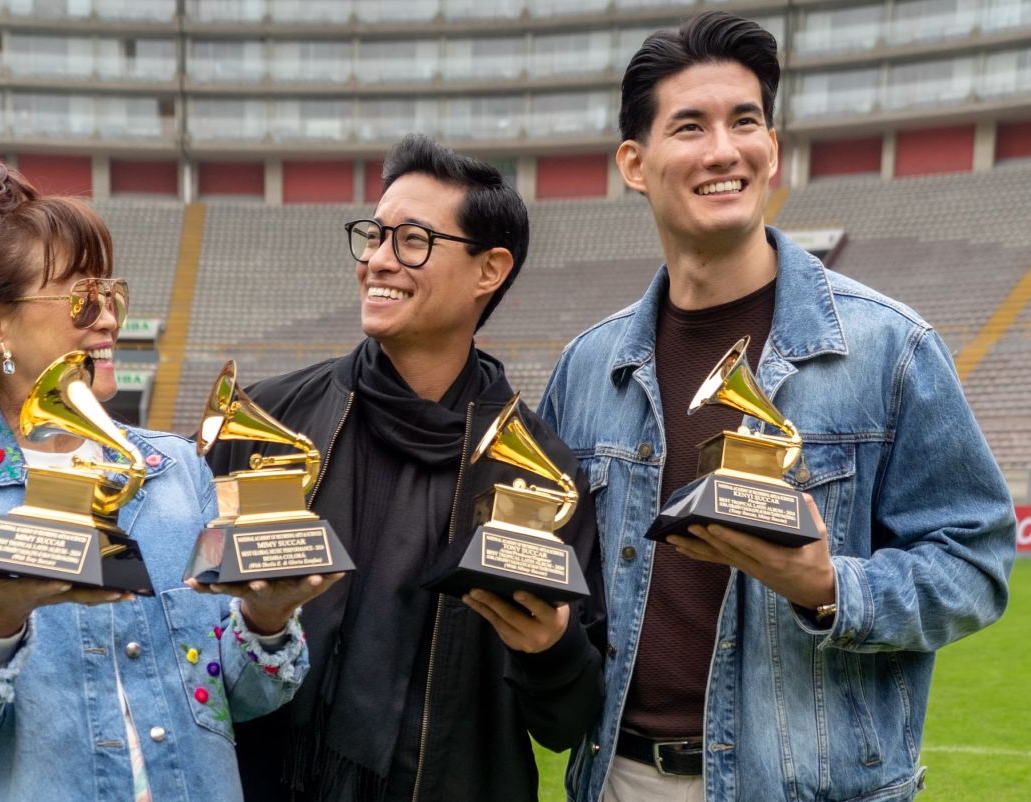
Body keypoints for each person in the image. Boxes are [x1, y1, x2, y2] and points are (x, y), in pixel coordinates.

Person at [539, 11, 1016, 802]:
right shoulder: (586, 367)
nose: (724, 149)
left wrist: (833, 589)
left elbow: (977, 563)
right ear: (635, 161)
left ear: (773, 150)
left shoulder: (890, 346)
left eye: (745, 121)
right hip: (617, 779)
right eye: (689, 126)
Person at [0, 153, 335, 801]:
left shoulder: (179, 472)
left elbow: (243, 699)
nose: (109, 318)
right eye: (82, 297)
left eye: (110, 292)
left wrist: (267, 616)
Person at [204, 134, 605, 802]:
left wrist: (551, 649)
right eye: (374, 235)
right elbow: (184, 643)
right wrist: (259, 620)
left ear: (490, 270)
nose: (378, 261)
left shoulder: (543, 472)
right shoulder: (268, 417)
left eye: (412, 240)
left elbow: (567, 723)